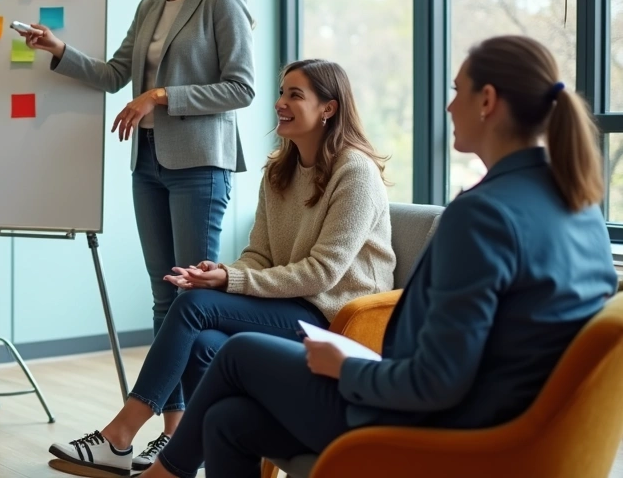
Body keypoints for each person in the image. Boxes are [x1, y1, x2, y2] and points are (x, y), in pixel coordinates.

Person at [136, 35, 618, 478]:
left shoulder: (484, 216)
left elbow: (437, 381)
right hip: (497, 421)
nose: (449, 106)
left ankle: (164, 471)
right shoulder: (581, 208)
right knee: (225, 420)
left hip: (441, 430)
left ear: (487, 101)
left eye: (457, 90)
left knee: (238, 352)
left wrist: (348, 367)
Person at [46, 58, 395, 475]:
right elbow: (260, 254)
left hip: (338, 318)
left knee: (195, 306)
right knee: (200, 336)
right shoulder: (278, 171)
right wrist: (222, 273)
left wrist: (231, 280)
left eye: (295, 95)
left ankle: (123, 438)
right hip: (294, 306)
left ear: (329, 109)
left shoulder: (355, 172)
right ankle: (190, 455)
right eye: (281, 92)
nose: (280, 103)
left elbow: (323, 273)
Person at [19, 0, 256, 459]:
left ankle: (186, 441)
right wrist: (59, 50)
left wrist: (161, 96)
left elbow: (241, 88)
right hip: (147, 163)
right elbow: (113, 74)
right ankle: (172, 434)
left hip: (199, 164)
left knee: (191, 299)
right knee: (162, 299)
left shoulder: (223, 1)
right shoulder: (151, 6)